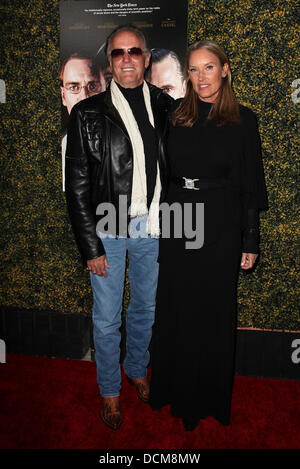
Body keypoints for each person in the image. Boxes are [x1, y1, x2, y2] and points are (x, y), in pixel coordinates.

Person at [149, 40, 268, 431]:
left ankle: (208, 398)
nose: (201, 78)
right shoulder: (176, 117)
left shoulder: (243, 120)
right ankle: (177, 392)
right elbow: (164, 177)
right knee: (179, 310)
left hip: (220, 224)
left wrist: (250, 239)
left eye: (209, 68)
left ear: (225, 70)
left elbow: (250, 184)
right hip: (179, 220)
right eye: (194, 70)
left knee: (213, 314)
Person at [65, 24, 172, 430]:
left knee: (146, 307)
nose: (126, 58)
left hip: (156, 225)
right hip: (108, 227)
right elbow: (76, 189)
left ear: (146, 57)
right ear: (109, 61)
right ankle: (110, 390)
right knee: (107, 317)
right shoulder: (86, 113)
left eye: (134, 51)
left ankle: (138, 369)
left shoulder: (167, 106)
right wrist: (89, 246)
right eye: (117, 52)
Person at [60, 53, 105, 191]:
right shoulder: (65, 143)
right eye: (74, 87)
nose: (84, 98)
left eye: (92, 86)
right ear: (63, 96)